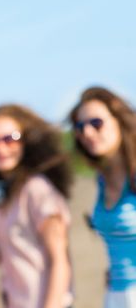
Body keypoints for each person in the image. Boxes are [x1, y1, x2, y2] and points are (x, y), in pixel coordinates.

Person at [0, 104, 73, 308]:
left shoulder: (37, 189)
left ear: (26, 142)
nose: (0, 148)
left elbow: (60, 261)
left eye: (10, 139)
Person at [69, 87, 136, 308]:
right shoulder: (101, 179)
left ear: (119, 121)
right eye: (80, 127)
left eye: (96, 123)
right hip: (116, 295)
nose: (87, 132)